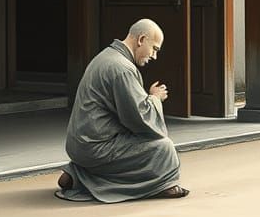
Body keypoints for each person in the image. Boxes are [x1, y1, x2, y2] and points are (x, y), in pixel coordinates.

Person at [56, 18, 189, 202]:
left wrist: (147, 97)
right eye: (154, 49)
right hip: (96, 148)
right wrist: (155, 99)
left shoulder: (105, 56)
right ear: (141, 39)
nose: (154, 56)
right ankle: (160, 186)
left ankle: (78, 174)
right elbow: (140, 120)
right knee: (164, 148)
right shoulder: (122, 68)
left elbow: (128, 108)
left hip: (79, 147)